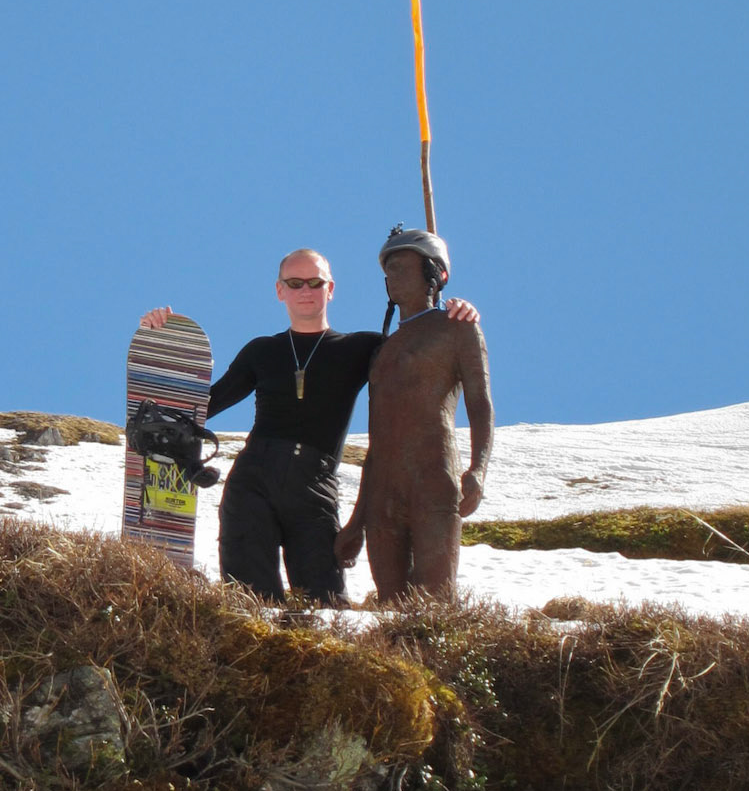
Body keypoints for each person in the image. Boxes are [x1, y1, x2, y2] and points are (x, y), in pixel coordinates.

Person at [140, 248, 478, 605]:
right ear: (279, 290)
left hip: (315, 485)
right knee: (249, 602)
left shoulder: (362, 347)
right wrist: (161, 338)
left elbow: (420, 348)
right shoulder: (261, 351)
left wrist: (451, 312)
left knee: (325, 605)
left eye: (315, 283)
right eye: (295, 283)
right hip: (253, 480)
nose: (305, 290)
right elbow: (204, 405)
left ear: (330, 289)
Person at [335, 227, 493, 603]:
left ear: (433, 274)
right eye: (388, 269)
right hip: (382, 493)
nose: (392, 275)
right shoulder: (382, 351)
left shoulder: (458, 328)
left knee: (436, 602)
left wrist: (478, 469)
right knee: (390, 604)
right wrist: (357, 521)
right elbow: (377, 440)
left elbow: (480, 404)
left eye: (402, 266)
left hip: (433, 479)